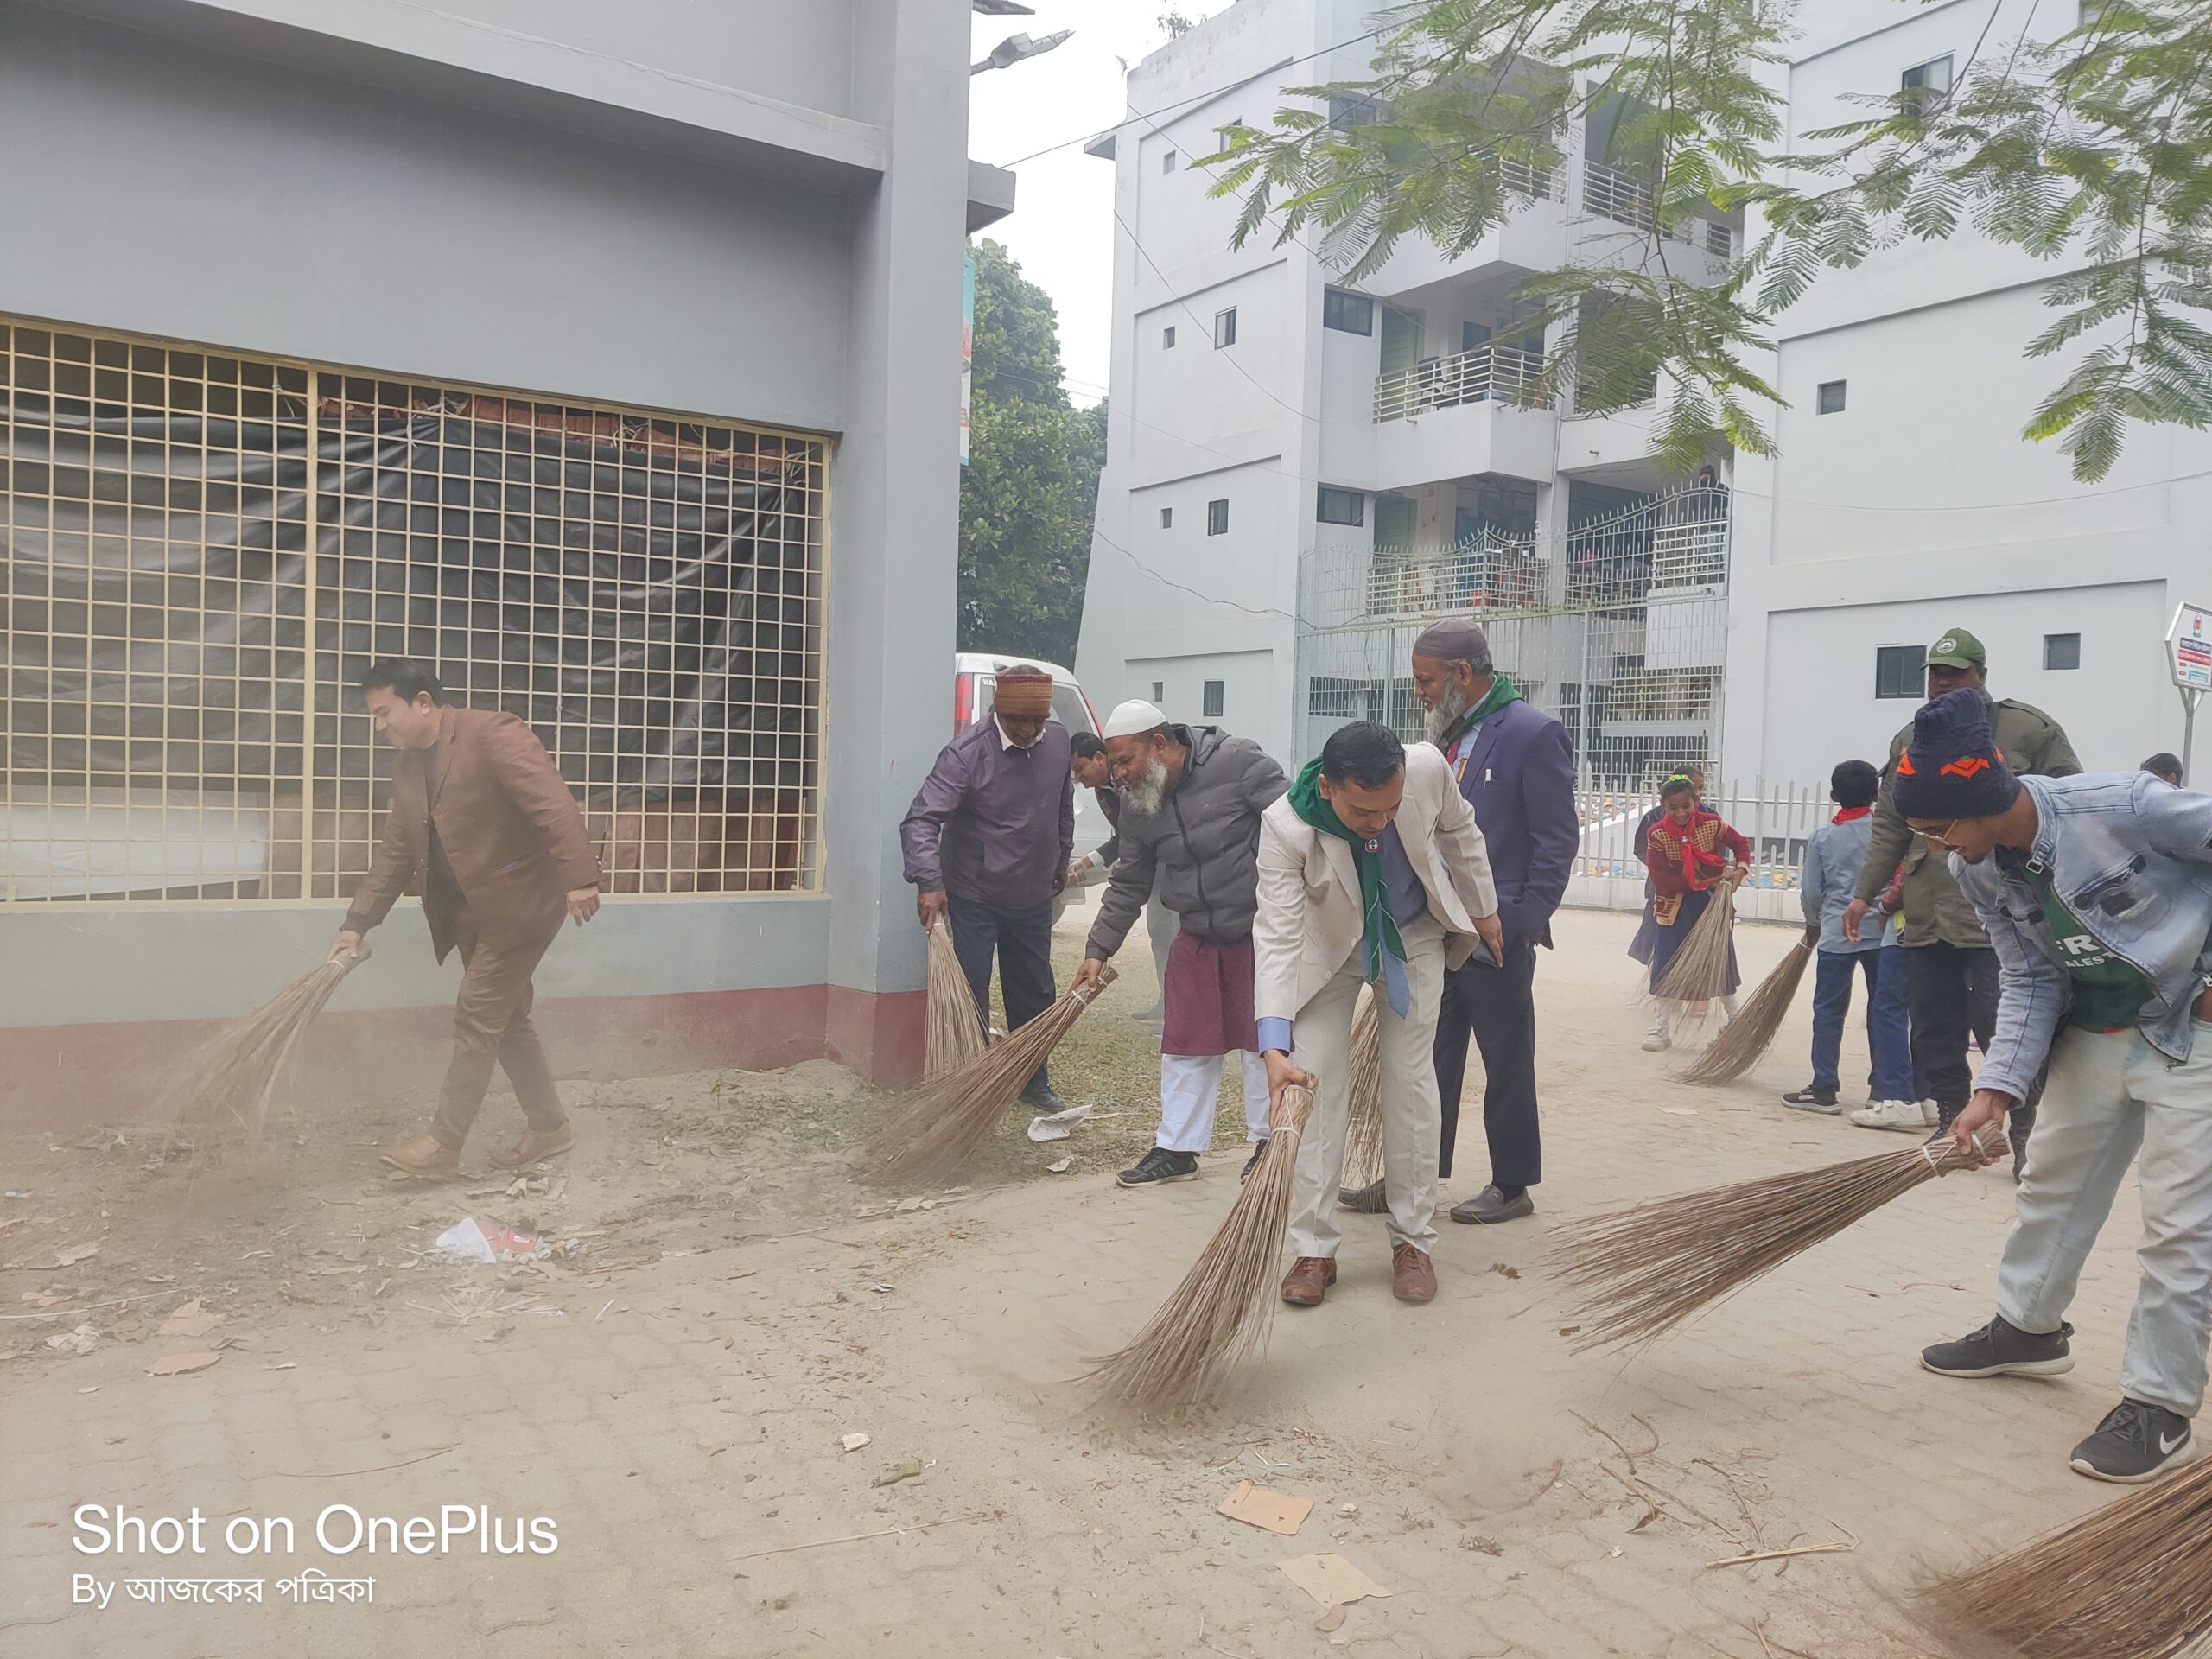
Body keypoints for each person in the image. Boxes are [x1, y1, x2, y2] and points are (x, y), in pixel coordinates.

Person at [1901, 690, 2212, 1484]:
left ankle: (2160, 1404)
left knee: (2179, 1230)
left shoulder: (2126, 806)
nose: (1932, 845)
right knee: (2050, 1185)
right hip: (2097, 1032)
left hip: (2193, 1034)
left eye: (1936, 827)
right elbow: (2032, 978)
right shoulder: (1978, 873)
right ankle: (2027, 1330)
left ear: (1981, 797)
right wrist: (1994, 1089)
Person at [1255, 723, 1504, 1305]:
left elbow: (1460, 831)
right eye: (1363, 812)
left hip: (1412, 933)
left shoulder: (1424, 769)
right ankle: (1314, 1249)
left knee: (1412, 1082)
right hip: (1329, 951)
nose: (1379, 823)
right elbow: (1276, 937)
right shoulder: (1285, 828)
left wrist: (1484, 908)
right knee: (1314, 1084)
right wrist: (1273, 1044)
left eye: (1390, 809)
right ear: (1330, 787)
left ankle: (1413, 1239)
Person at [1342, 617, 1574, 1226]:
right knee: (1424, 1063)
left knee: (1505, 1060)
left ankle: (1512, 1182)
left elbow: (1555, 841)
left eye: (1424, 680)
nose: (1416, 692)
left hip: (1497, 935)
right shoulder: (1443, 737)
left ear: (1461, 675)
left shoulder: (1532, 733)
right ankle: (1411, 1179)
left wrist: (1518, 920)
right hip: (1437, 933)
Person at [333, 659, 603, 1175]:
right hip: (468, 915)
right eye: (374, 716)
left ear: (425, 703)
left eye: (384, 712)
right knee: (507, 1021)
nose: (379, 725)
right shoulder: (410, 765)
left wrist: (580, 877)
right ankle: (550, 1128)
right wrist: (356, 923)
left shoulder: (492, 733)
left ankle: (444, 1144)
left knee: (477, 1014)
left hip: (519, 906)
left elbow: (552, 803)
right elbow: (396, 850)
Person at [1840, 628, 2080, 1149]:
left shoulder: (2028, 730)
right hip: (1929, 909)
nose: (1943, 683)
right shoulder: (1909, 741)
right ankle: (1953, 1127)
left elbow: (2066, 806)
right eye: (1935, 674)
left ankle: (2024, 1137)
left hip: (2004, 909)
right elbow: (1890, 826)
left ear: (1982, 677)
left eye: (1956, 673)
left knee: (2006, 1024)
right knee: (1932, 1027)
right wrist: (1865, 892)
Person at [1073, 700, 1287, 1187]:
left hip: (1260, 933)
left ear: (1160, 745)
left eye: (1127, 761)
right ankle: (1177, 1149)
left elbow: (1294, 827)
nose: (1120, 774)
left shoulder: (1237, 763)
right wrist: (1097, 948)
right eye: (1115, 763)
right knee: (1185, 1044)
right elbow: (1129, 882)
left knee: (1263, 1044)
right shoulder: (1135, 805)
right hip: (1195, 934)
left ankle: (1270, 1142)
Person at [899, 665, 1075, 1113]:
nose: (1030, 731)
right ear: (998, 710)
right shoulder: (965, 755)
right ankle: (973, 1083)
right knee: (971, 991)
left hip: (1032, 895)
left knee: (1035, 992)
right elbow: (921, 820)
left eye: (1037, 721)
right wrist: (929, 882)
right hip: (975, 894)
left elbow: (1061, 805)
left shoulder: (1057, 742)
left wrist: (1060, 859)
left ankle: (1032, 1080)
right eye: (1019, 722)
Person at [1783, 760, 1916, 1114]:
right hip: (1883, 934)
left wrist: (1815, 923)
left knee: (1828, 1011)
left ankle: (1824, 1087)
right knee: (1884, 1011)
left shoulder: (1823, 837)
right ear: (1876, 795)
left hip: (1835, 936)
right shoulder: (1886, 833)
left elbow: (1812, 891)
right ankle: (1882, 1088)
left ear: (1833, 796)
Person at [1067, 732, 1176, 1020]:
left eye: (1080, 768)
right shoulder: (1103, 790)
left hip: (1165, 868)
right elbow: (1125, 836)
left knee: (1169, 930)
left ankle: (1176, 1009)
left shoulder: (1129, 781)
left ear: (1100, 758)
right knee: (1158, 931)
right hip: (1143, 870)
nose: (1077, 777)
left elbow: (1143, 831)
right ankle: (1166, 1002)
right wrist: (1087, 862)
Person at [1644, 775, 1750, 1030]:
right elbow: (1660, 876)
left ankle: (1734, 1021)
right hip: (1673, 908)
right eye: (1673, 808)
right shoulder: (1656, 834)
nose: (1680, 813)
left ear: (1696, 801)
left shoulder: (1712, 824)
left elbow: (1740, 844)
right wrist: (1700, 882)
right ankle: (1661, 1027)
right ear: (1663, 806)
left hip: (1709, 906)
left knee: (1719, 961)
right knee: (1666, 963)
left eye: (1686, 806)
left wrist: (1741, 870)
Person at [1631, 766, 1705, 1046]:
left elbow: (1723, 847)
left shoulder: (1708, 817)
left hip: (1701, 897)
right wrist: (1666, 865)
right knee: (1660, 948)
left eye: (1700, 789)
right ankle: (1664, 1007)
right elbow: (1644, 848)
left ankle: (1701, 998)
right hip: (1664, 894)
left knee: (1702, 948)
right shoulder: (1654, 820)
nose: (1697, 794)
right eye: (1694, 787)